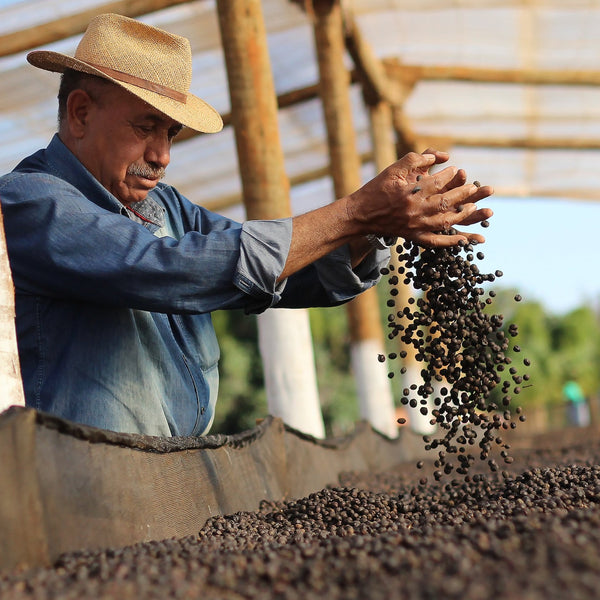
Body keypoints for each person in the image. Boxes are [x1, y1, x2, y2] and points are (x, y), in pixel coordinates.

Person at [0, 14, 493, 437]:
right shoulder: (30, 201)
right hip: (80, 494)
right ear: (80, 113)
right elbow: (169, 269)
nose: (162, 156)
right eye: (145, 127)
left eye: (170, 133)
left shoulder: (166, 207)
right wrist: (357, 210)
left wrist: (373, 229)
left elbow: (277, 271)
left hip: (168, 481)